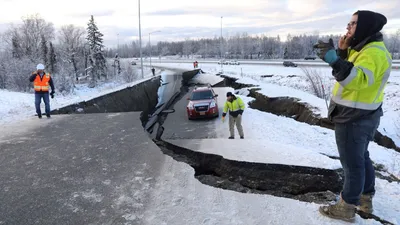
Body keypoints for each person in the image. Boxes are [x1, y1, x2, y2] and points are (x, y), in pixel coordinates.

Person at [313, 10, 392, 222]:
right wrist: (341, 51)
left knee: (351, 164)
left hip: (354, 119)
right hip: (363, 114)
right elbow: (353, 69)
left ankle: (346, 207)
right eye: (349, 22)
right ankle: (365, 198)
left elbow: (355, 80)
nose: (348, 27)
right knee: (361, 158)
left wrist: (333, 60)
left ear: (366, 27)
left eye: (354, 23)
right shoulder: (365, 48)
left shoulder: (373, 53)